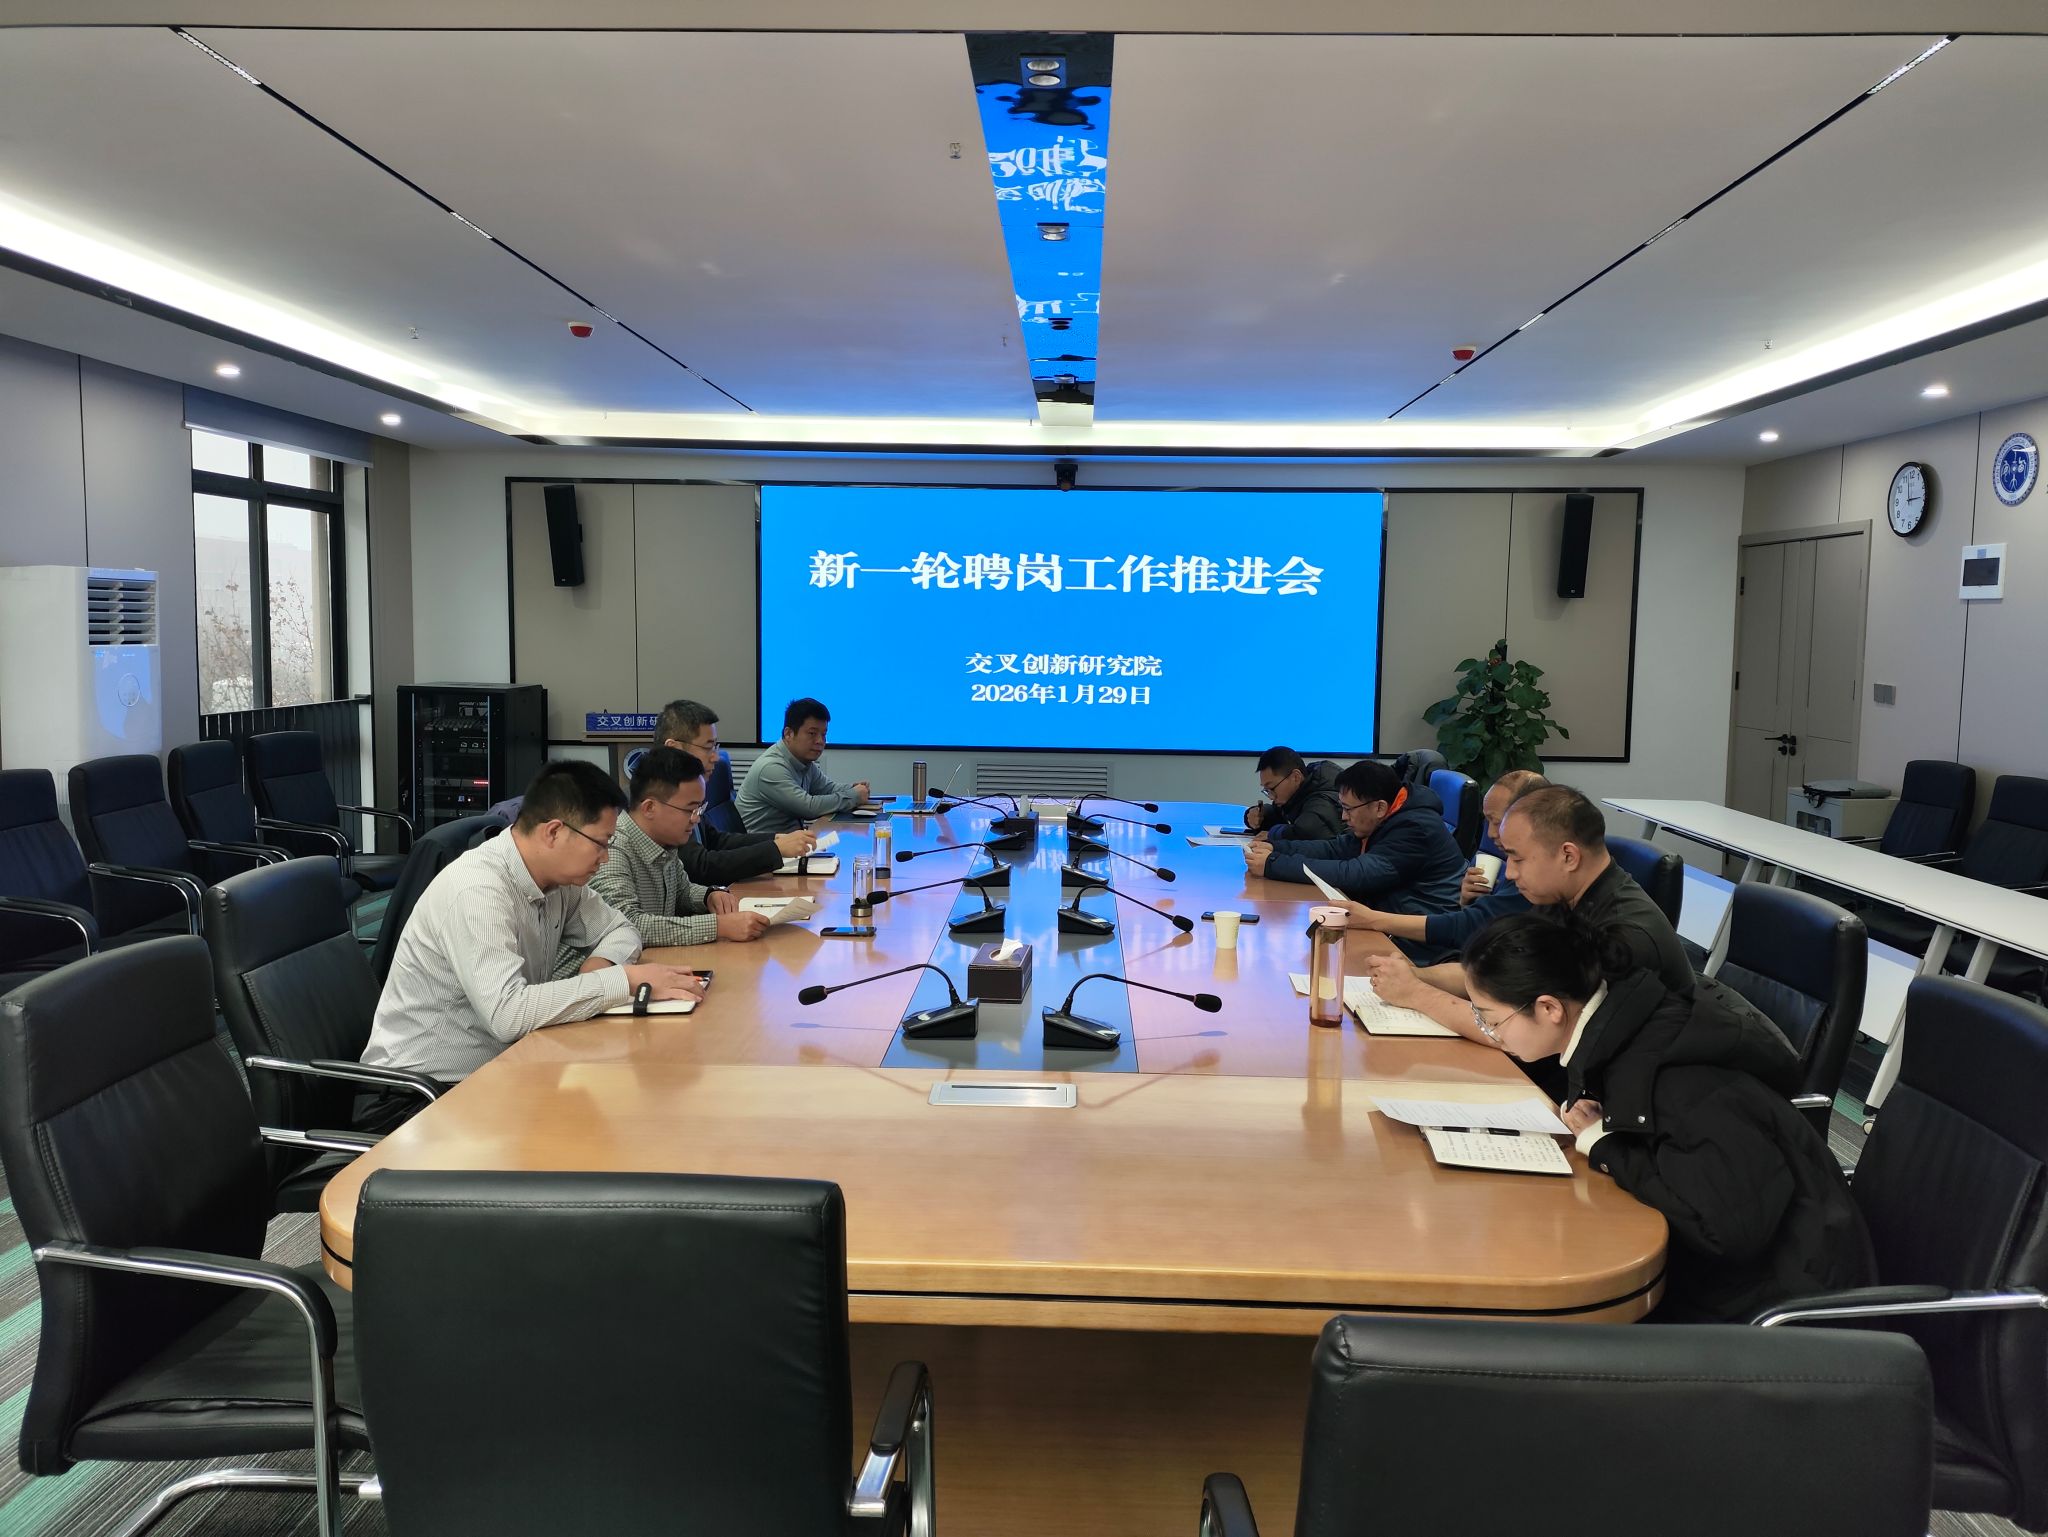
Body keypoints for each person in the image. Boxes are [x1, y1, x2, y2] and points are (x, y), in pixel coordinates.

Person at [1462, 914, 1875, 1322]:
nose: (1490, 1032)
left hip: (1779, 1311)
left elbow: (1724, 1232)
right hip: (1745, 1274)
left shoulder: (1678, 1079)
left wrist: (1607, 1147)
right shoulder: (1630, 1028)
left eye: (1492, 1020)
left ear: (1550, 1008)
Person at [363, 761, 705, 1082]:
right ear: (554, 832)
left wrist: (603, 964)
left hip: (502, 1068)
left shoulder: (559, 882)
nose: (605, 858)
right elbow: (508, 1014)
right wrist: (622, 979)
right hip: (421, 1093)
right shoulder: (478, 890)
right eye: (600, 844)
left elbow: (621, 928)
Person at [1363, 784, 1694, 1054]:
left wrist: (1417, 994)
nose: (1509, 872)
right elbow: (1496, 975)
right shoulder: (1562, 895)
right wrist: (1416, 976)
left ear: (1568, 856)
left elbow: (1523, 1035)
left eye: (1517, 858)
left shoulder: (1623, 938)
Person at [563, 749, 771, 964]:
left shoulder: (664, 840)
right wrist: (718, 926)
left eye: (700, 808)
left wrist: (709, 896)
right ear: (650, 808)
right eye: (690, 809)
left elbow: (682, 891)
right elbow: (627, 924)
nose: (696, 819)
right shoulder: (613, 849)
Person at [1245, 760, 1464, 948]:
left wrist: (1273, 865)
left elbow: (1356, 874)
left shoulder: (1415, 829)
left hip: (1418, 943)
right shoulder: (1387, 815)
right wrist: (1277, 848)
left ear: (1379, 808)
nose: (1343, 817)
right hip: (1387, 926)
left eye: (1348, 809)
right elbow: (1335, 849)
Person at [1333, 770, 1547, 951]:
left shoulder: (1536, 877)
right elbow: (1480, 926)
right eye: (1487, 821)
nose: (1490, 834)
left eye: (1497, 822)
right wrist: (1466, 901)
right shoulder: (1519, 864)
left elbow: (1468, 928)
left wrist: (1373, 920)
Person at [654, 697, 816, 884]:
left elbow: (716, 841)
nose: (715, 757)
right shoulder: (660, 800)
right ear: (673, 748)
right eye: (707, 747)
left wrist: (777, 839)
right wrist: (775, 849)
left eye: (715, 747)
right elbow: (699, 866)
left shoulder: (687, 791)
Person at [735, 696, 871, 834]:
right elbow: (808, 808)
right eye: (812, 733)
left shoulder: (804, 762)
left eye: (823, 734)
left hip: (789, 840)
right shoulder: (771, 768)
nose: (820, 741)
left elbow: (828, 788)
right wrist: (854, 796)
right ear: (788, 734)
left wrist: (854, 788)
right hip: (764, 845)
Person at [1242, 747, 1344, 841]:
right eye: (1266, 790)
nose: (1271, 797)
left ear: (1296, 777)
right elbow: (1280, 815)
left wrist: (1272, 835)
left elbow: (1307, 833)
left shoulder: (1323, 799)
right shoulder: (1298, 793)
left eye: (1271, 788)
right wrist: (1261, 815)